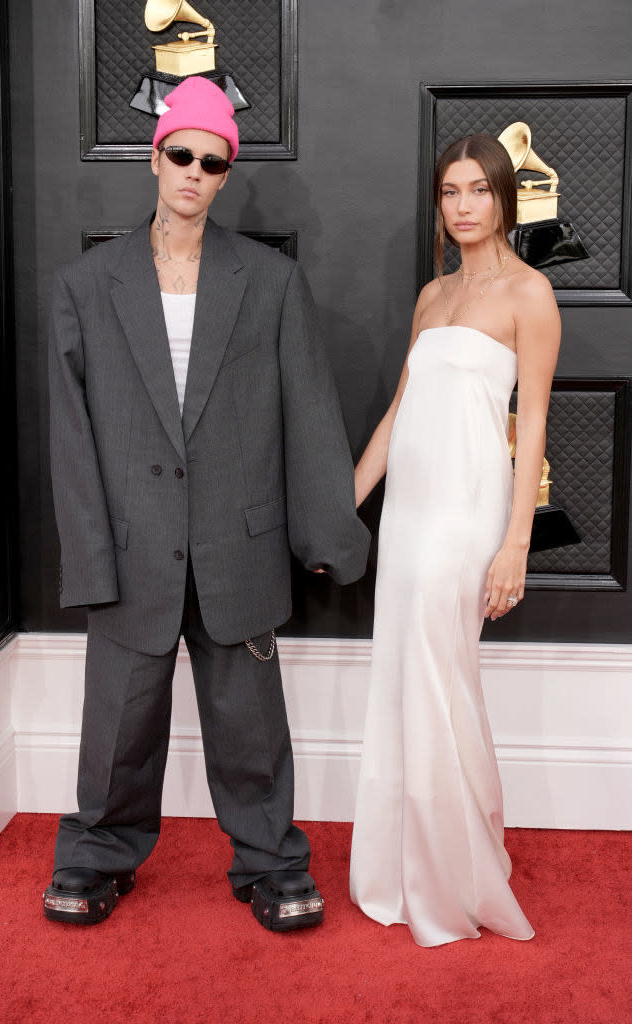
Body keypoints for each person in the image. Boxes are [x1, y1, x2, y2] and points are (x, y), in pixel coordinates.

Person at [43, 76, 370, 929]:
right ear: (156, 158)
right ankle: (95, 855)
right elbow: (71, 439)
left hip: (240, 542)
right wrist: (87, 552)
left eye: (211, 162)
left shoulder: (268, 281)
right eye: (180, 154)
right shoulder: (86, 284)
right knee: (116, 727)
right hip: (129, 546)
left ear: (225, 176)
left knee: (249, 727)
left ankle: (270, 864)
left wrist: (327, 531)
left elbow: (308, 411)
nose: (193, 171)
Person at [349, 134, 560, 946]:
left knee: (442, 679)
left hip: (468, 511)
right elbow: (398, 413)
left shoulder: (529, 293)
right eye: (449, 192)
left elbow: (532, 421)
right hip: (407, 510)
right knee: (409, 679)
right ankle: (417, 862)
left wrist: (515, 543)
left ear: (502, 197)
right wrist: (346, 504)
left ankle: (456, 876)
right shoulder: (431, 298)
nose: (463, 205)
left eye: (477, 189)